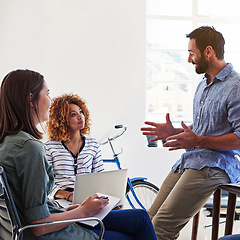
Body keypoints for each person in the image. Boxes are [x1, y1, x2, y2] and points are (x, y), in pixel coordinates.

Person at [0, 69, 158, 240]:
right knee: (137, 225)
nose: (51, 101)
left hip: (50, 221)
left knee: (139, 218)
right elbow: (39, 225)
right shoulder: (31, 148)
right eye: (47, 93)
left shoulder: (8, 143)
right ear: (31, 99)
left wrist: (72, 209)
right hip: (51, 234)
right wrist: (83, 211)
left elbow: (30, 205)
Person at [141, 26, 240, 240]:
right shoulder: (203, 85)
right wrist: (174, 132)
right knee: (147, 221)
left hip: (214, 165)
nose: (189, 59)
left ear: (208, 52)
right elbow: (203, 129)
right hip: (192, 160)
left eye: (192, 53)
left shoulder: (236, 87)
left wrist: (199, 140)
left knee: (161, 228)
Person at [45, 93, 104, 202]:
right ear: (61, 120)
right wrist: (68, 195)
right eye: (73, 114)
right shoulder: (50, 147)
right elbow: (45, 183)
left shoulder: (93, 144)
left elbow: (100, 178)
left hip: (89, 199)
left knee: (128, 213)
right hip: (61, 201)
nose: (80, 116)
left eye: (81, 112)